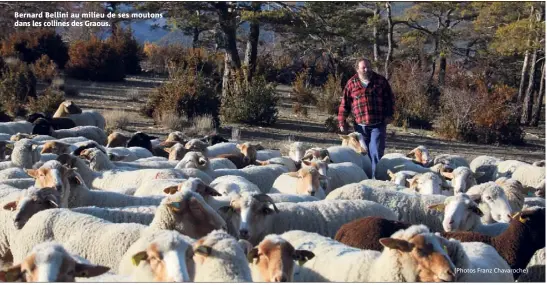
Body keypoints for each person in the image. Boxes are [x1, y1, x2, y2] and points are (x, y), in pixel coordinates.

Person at [338, 58, 395, 179]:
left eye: (368, 67)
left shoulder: (380, 81)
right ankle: (365, 177)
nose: (366, 69)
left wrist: (389, 115)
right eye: (363, 67)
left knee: (375, 152)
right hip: (360, 126)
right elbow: (345, 104)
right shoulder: (351, 83)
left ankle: (376, 178)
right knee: (362, 154)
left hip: (378, 124)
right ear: (357, 69)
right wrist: (342, 121)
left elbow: (389, 99)